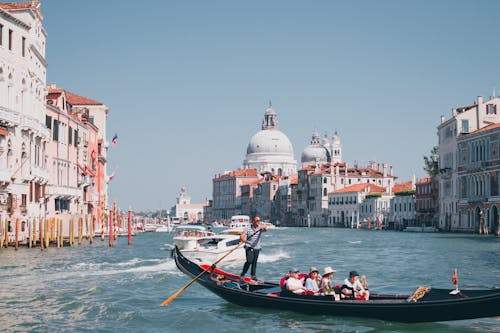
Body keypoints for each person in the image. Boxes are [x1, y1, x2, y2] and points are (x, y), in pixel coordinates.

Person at [240, 215, 267, 280]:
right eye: (257, 220)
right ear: (253, 221)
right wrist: (243, 239)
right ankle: (243, 274)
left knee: (254, 262)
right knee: (249, 261)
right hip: (249, 247)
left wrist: (264, 227)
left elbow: (265, 229)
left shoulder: (260, 227)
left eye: (259, 220)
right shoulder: (247, 228)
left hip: (257, 248)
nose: (258, 222)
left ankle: (253, 275)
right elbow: (242, 235)